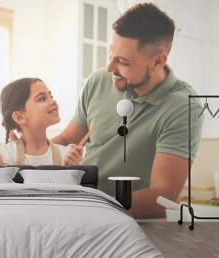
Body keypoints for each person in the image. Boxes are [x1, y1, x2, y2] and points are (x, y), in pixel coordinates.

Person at [52, 3, 203, 218]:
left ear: (158, 61)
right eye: (110, 54)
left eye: (122, 61)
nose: (110, 68)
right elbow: (67, 138)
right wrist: (28, 163)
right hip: (81, 212)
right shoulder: (98, 81)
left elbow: (162, 198)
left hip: (133, 228)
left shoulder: (182, 107)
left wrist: (89, 204)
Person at [0, 78, 83, 166]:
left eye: (50, 96)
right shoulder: (4, 155)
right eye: (42, 98)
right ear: (19, 117)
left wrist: (72, 169)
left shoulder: (66, 155)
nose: (53, 101)